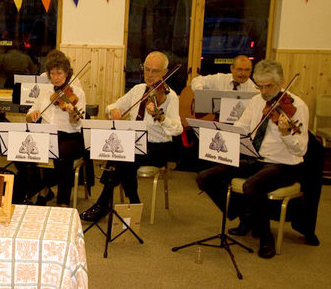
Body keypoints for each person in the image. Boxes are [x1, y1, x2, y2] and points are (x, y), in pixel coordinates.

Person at [196, 60, 308, 259]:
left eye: (269, 86)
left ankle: (266, 237)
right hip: (256, 159)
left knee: (252, 186)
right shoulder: (257, 101)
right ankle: (242, 214)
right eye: (260, 86)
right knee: (205, 177)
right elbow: (241, 127)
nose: (264, 91)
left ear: (281, 81)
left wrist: (287, 134)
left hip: (285, 164)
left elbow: (300, 149)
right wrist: (225, 133)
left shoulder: (297, 106)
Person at [81, 51, 182, 222]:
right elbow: (113, 106)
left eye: (155, 71)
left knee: (123, 158)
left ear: (165, 72)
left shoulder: (170, 97)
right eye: (147, 69)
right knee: (124, 157)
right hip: (136, 145)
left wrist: (162, 117)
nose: (149, 75)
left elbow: (177, 129)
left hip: (158, 147)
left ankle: (104, 204)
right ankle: (132, 203)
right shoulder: (138, 90)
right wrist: (113, 110)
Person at [25, 50, 86, 206]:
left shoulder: (77, 93)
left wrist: (72, 113)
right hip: (47, 135)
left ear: (66, 73)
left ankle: (63, 201)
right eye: (52, 74)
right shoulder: (45, 92)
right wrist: (31, 116)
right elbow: (30, 112)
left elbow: (78, 123)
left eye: (59, 73)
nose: (56, 77)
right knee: (23, 151)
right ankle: (44, 189)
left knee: (63, 154)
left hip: (70, 136)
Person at [190, 55, 256, 92]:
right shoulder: (219, 79)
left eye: (247, 70)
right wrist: (201, 94)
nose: (243, 73)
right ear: (232, 69)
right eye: (239, 69)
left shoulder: (254, 90)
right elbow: (196, 80)